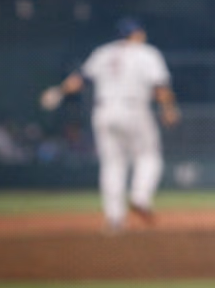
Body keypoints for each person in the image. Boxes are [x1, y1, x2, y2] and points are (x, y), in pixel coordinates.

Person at [44, 17, 180, 232]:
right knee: (148, 156)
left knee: (112, 165)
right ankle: (140, 197)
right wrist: (169, 109)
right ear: (136, 34)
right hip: (134, 109)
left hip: (103, 111)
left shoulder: (103, 53)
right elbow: (160, 86)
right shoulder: (146, 53)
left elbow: (80, 80)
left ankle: (114, 219)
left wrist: (59, 91)